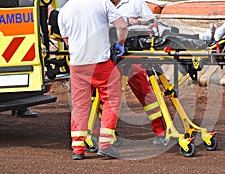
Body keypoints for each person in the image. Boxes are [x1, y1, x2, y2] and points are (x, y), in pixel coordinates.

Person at [58, 0, 128, 160]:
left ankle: (77, 148)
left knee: (80, 106)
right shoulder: (103, 3)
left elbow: (67, 42)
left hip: (77, 65)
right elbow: (122, 27)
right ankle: (106, 145)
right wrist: (120, 44)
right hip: (100, 63)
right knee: (111, 99)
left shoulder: (64, 10)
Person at [110, 0, 167, 145]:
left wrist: (135, 22)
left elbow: (151, 23)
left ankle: (160, 131)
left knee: (144, 93)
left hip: (133, 54)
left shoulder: (135, 2)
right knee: (106, 95)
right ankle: (108, 132)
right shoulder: (102, 3)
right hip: (110, 54)